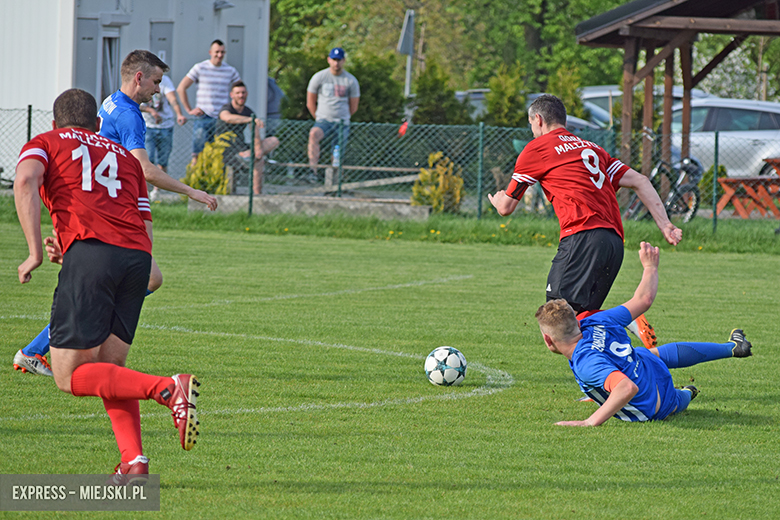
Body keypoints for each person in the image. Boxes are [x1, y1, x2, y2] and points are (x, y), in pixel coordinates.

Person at [14, 88, 200, 480]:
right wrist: (78, 251)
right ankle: (134, 462)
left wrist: (34, 251)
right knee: (110, 368)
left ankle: (167, 389)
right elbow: (143, 224)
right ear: (98, 125)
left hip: (94, 256)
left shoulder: (46, 141)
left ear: (54, 122)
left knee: (69, 377)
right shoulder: (126, 160)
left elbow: (26, 181)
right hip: (135, 258)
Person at [12, 49, 217, 375]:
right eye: (156, 81)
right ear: (139, 77)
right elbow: (143, 168)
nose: (158, 90)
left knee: (137, 278)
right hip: (114, 205)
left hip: (96, 203)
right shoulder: (130, 115)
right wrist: (192, 190)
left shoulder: (110, 101)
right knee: (142, 278)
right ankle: (43, 347)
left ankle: (39, 348)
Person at [489, 94, 682, 349]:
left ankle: (627, 320)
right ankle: (607, 376)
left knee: (555, 319)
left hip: (582, 237)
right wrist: (665, 224)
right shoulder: (592, 148)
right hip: (613, 243)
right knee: (580, 326)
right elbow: (641, 181)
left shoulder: (537, 148)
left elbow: (506, 208)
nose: (532, 130)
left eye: (530, 124)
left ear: (538, 120)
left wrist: (498, 199)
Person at [535, 241, 753, 427]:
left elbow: (626, 388)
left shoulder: (585, 362)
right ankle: (731, 348)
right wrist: (650, 267)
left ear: (548, 339)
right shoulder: (596, 320)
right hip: (648, 366)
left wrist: (588, 422)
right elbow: (643, 300)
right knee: (645, 354)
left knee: (677, 398)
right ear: (576, 319)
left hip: (657, 401)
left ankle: (687, 393)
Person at [177, 39, 241, 164]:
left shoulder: (230, 71)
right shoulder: (200, 68)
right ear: (210, 52)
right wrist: (189, 110)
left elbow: (239, 90)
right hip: (203, 116)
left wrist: (234, 110)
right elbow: (181, 88)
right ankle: (194, 180)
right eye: (217, 52)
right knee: (198, 153)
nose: (219, 55)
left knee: (219, 154)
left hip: (222, 118)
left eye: (222, 52)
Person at [306, 47, 360, 182]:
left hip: (341, 122)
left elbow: (353, 106)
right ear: (329, 60)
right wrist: (318, 116)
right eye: (334, 60)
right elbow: (310, 101)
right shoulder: (319, 77)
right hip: (323, 120)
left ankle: (333, 179)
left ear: (344, 61)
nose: (336, 63)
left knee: (337, 150)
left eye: (339, 60)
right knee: (314, 134)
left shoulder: (350, 80)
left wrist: (343, 117)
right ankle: (312, 171)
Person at [217, 81, 280, 195]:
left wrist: (258, 151)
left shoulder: (248, 111)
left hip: (242, 147)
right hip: (226, 148)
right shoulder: (227, 108)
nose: (241, 95)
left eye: (243, 93)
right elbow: (227, 118)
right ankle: (247, 157)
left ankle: (256, 195)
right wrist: (249, 119)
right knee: (257, 160)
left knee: (273, 141)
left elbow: (255, 134)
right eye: (238, 93)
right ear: (232, 95)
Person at [140, 74, 187, 199]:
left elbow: (173, 99)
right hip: (148, 126)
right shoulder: (142, 80)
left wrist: (179, 114)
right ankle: (145, 192)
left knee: (163, 161)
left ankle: (157, 192)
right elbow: (136, 103)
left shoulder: (165, 80)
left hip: (166, 125)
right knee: (147, 161)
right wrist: (151, 111)